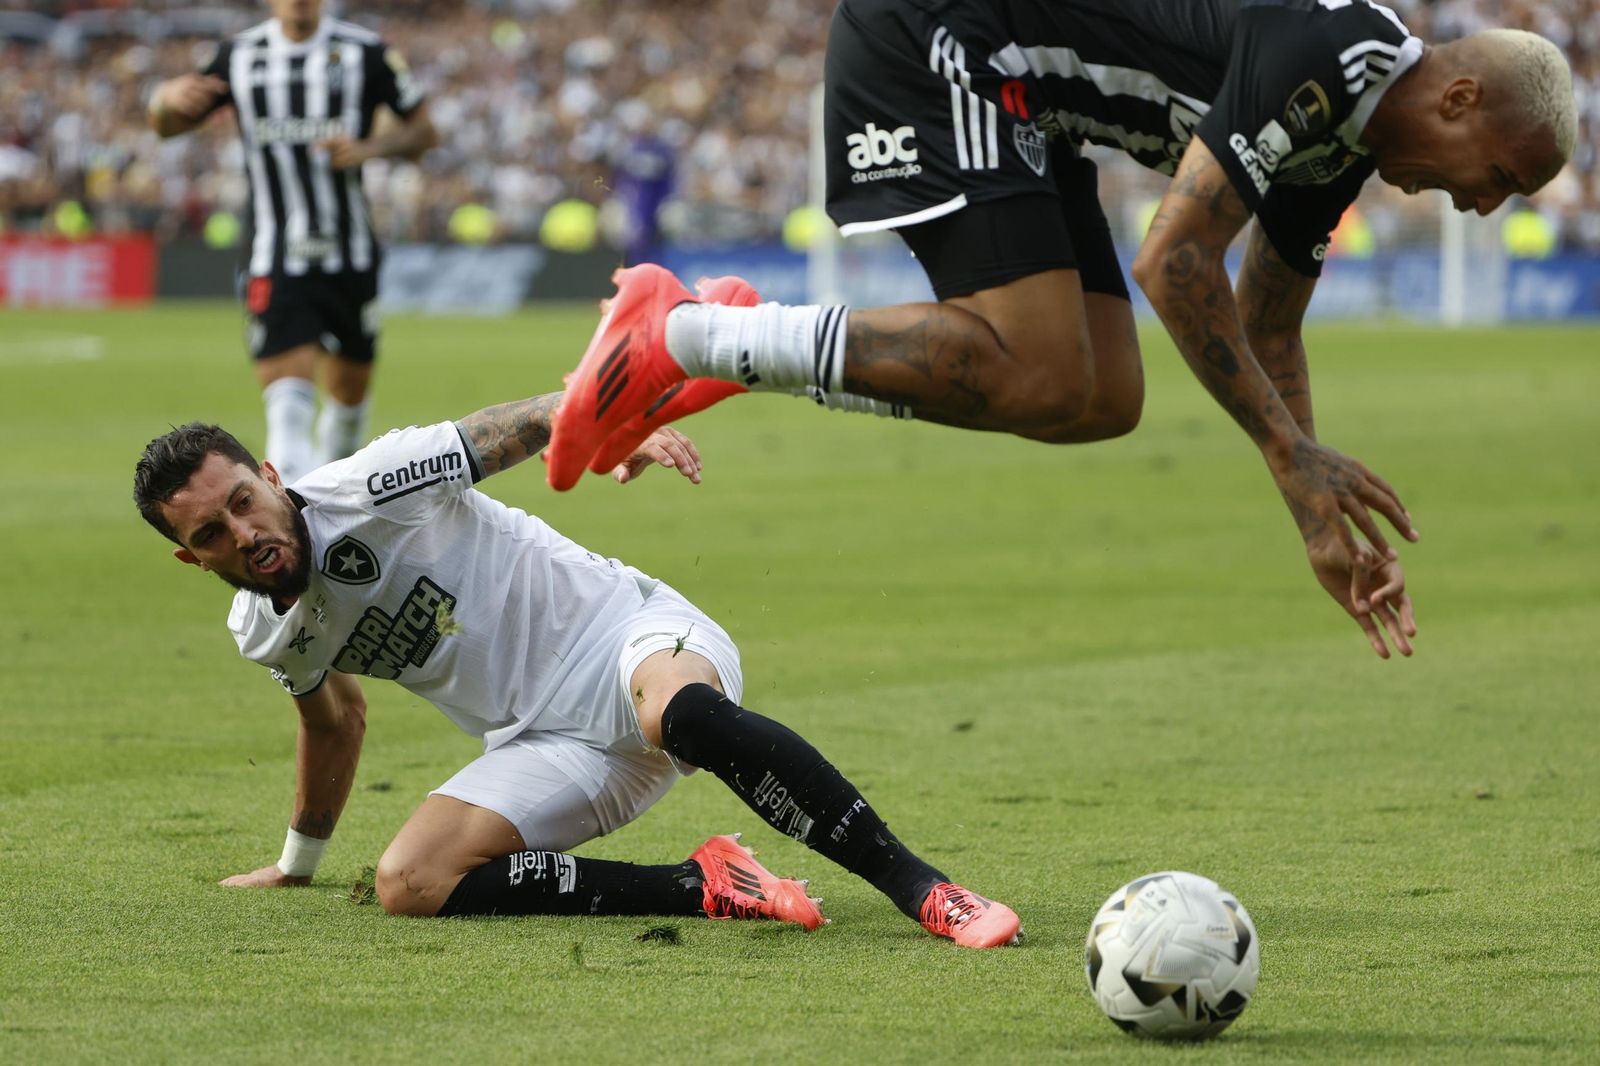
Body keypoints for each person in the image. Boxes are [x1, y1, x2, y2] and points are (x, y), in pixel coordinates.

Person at [546, 2, 1578, 661]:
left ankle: (729, 337)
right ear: (1457, 98)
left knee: (1100, 399)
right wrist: (1289, 454)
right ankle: (685, 333)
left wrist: (1311, 507)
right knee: (1040, 370)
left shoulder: (1346, 137)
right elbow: (1173, 263)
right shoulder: (1328, 53)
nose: (1486, 207)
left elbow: (1267, 328)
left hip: (1031, 104)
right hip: (943, 37)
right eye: (1500, 176)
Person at [129, 302, 1022, 949]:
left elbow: (510, 428)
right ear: (189, 556)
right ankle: (703, 883)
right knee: (409, 883)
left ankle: (925, 890)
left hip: (627, 638)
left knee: (678, 716)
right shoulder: (267, 632)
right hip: (541, 742)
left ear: (273, 477)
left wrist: (611, 432)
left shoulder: (369, 486)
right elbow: (335, 721)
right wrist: (297, 861)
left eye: (243, 501)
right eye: (212, 532)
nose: (244, 533)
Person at [148, 0, 438, 485]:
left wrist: (371, 147)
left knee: (348, 405)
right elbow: (167, 124)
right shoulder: (236, 56)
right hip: (273, 252)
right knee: (287, 409)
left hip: (350, 252)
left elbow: (425, 132)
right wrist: (163, 99)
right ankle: (299, 527)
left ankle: (334, 497)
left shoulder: (366, 53)